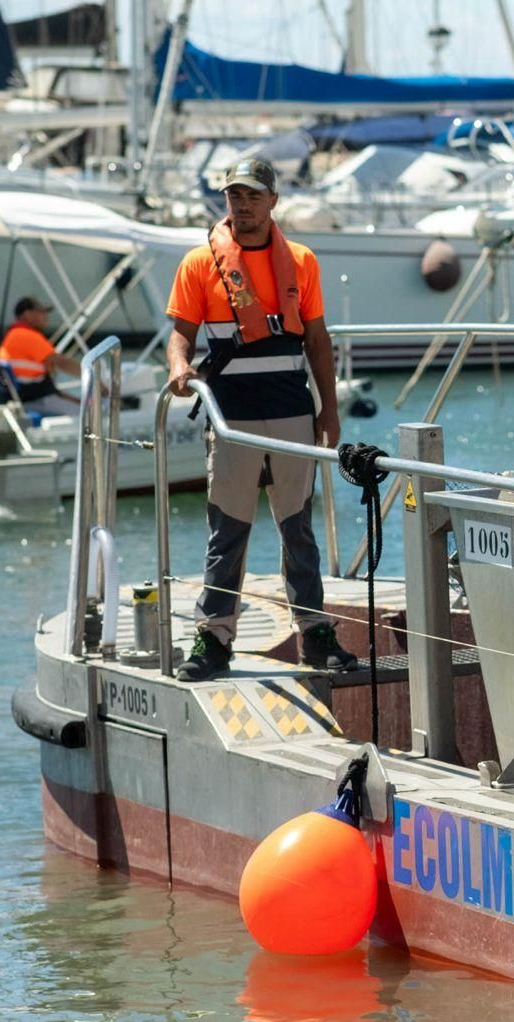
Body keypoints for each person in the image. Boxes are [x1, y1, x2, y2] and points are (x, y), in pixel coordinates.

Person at [166, 157, 355, 682]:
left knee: (298, 530)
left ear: (273, 201)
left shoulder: (302, 260)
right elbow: (180, 332)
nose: (243, 205)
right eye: (234, 196)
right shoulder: (199, 264)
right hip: (232, 419)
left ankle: (315, 635)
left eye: (253, 195)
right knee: (227, 533)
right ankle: (212, 640)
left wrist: (330, 409)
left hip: (292, 412)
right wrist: (180, 365)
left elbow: (317, 340)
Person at [0, 297, 81, 417]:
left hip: (23, 399)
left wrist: (79, 401)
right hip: (32, 401)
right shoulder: (26, 335)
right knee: (89, 415)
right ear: (27, 314)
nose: (46, 316)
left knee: (82, 407)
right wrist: (94, 378)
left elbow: (49, 390)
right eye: (41, 312)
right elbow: (62, 362)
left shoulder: (12, 334)